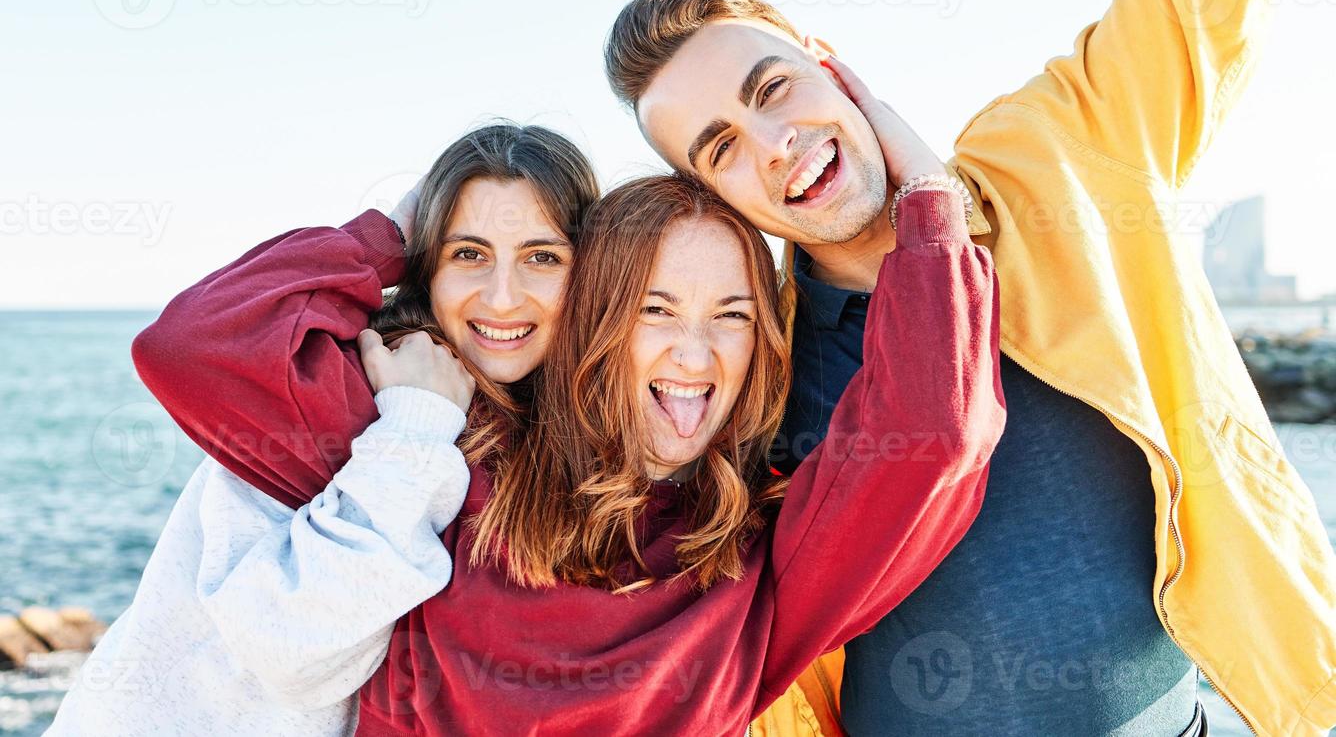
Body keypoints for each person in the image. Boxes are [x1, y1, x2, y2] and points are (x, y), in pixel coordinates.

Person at [603, 0, 1336, 732]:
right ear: (713, 196)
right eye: (721, 149)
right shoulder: (746, 376)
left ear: (829, 67)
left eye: (772, 88)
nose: (774, 143)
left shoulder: (1062, 154)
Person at [149, 167, 1005, 736]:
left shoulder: (761, 568)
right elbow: (197, 348)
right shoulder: (447, 461)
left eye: (733, 315)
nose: (695, 353)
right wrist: (409, 225)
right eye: (655, 309)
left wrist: (926, 201)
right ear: (594, 322)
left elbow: (938, 435)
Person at [49, 123, 600, 736]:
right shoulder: (345, 383)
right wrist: (384, 236)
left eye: (542, 257)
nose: (502, 297)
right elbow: (182, 344)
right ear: (426, 266)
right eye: (467, 253)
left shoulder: (555, 434)